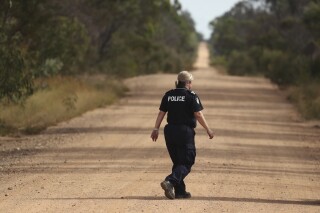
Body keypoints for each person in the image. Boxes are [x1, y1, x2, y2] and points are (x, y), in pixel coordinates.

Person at [151, 70, 214, 199]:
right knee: (187, 162)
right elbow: (198, 114)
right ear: (187, 83)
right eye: (191, 83)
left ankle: (180, 192)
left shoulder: (168, 95)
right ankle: (170, 181)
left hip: (169, 131)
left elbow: (161, 113)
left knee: (178, 161)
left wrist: (156, 128)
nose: (191, 85)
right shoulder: (191, 95)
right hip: (184, 132)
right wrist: (208, 128)